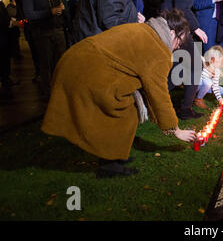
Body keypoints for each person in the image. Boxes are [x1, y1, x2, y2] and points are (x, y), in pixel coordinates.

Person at [41, 9, 197, 178]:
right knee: (124, 112)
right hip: (84, 71)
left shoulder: (148, 31)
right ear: (172, 33)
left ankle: (114, 154)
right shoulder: (158, 49)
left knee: (128, 108)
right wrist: (175, 129)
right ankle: (109, 164)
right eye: (180, 42)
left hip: (77, 62)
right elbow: (159, 93)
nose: (178, 47)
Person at [161, 0, 206, 120]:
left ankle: (155, 97)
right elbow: (182, 6)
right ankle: (185, 108)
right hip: (178, 25)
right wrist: (196, 28)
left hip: (167, 22)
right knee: (195, 65)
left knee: (179, 65)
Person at [23, 0, 67, 96]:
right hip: (42, 34)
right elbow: (29, 14)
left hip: (57, 31)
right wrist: (50, 12)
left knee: (61, 60)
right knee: (46, 63)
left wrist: (61, 7)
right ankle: (48, 91)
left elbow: (59, 4)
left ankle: (61, 86)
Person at [0, 0, 20, 88]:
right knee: (3, 59)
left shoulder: (2, 3)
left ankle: (5, 78)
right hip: (1, 38)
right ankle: (5, 79)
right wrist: (12, 23)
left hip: (4, 37)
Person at [194, 45, 223, 109]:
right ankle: (198, 99)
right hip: (196, 84)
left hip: (205, 85)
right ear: (211, 59)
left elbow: (215, 86)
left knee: (222, 90)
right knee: (208, 82)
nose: (219, 65)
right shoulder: (203, 62)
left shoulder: (216, 71)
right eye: (217, 62)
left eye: (220, 62)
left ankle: (200, 94)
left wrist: (220, 99)